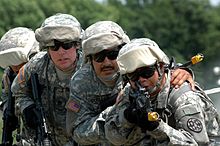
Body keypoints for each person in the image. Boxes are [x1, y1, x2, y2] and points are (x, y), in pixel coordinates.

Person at [66, 21, 195, 145]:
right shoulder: (81, 82)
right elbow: (77, 132)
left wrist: (183, 72)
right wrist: (123, 116)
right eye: (99, 57)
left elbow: (162, 70)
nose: (106, 62)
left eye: (113, 54)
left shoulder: (136, 63)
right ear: (90, 59)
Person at [104, 38, 220, 145]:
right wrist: (128, 117)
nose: (141, 80)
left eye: (146, 72)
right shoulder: (131, 92)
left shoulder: (184, 98)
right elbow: (112, 137)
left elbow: (196, 144)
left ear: (160, 67)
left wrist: (157, 128)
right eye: (133, 75)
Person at [11, 13, 83, 146]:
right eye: (54, 46)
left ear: (77, 45)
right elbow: (18, 91)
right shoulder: (35, 66)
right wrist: (27, 107)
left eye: (66, 45)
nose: (61, 52)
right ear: (47, 49)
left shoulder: (89, 69)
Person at [0, 27, 39, 146]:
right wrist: (9, 110)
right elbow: (7, 96)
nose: (16, 69)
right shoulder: (9, 75)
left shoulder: (45, 70)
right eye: (13, 65)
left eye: (21, 64)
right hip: (28, 136)